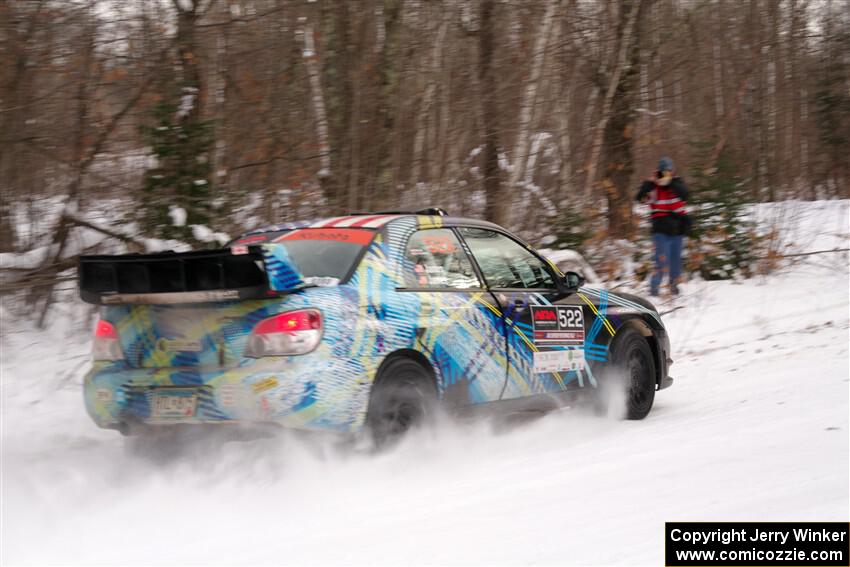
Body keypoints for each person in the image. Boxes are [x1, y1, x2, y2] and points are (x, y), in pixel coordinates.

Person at [635, 156, 690, 297]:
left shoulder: (677, 183)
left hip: (677, 230)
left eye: (668, 171)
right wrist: (650, 183)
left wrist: (670, 182)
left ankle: (674, 288)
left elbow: (685, 194)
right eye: (663, 172)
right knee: (660, 260)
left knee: (675, 262)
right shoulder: (653, 187)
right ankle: (654, 290)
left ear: (673, 171)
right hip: (660, 231)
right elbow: (640, 198)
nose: (665, 175)